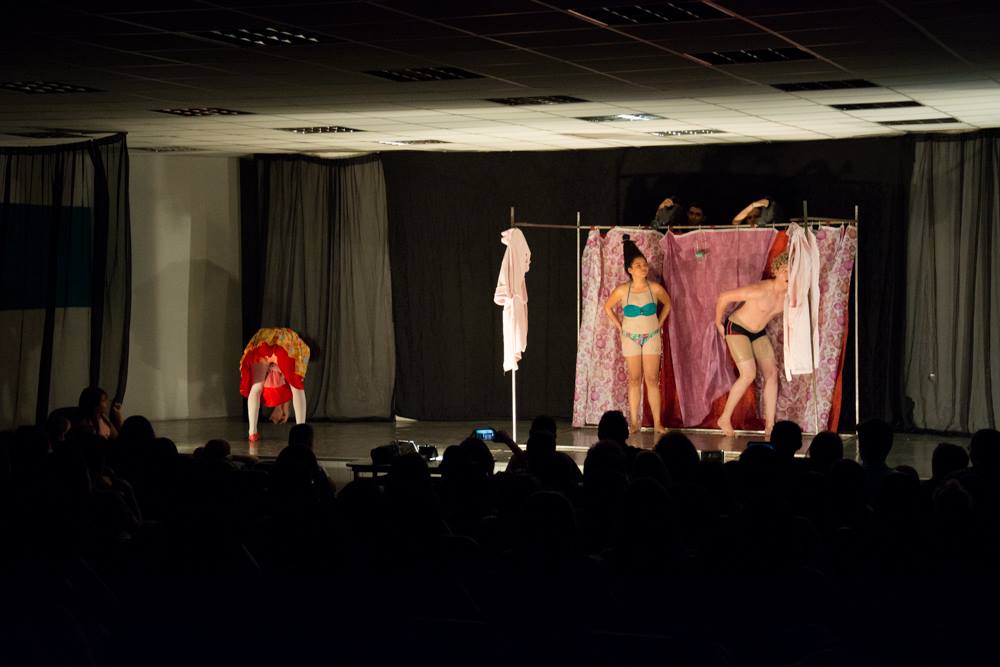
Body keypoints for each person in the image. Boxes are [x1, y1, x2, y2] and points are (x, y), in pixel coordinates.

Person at [713, 251, 789, 438]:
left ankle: (770, 426)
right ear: (776, 271)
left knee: (772, 373)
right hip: (737, 327)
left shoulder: (790, 295)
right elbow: (724, 297)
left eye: (792, 271)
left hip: (758, 332)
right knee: (748, 374)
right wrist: (718, 322)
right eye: (785, 270)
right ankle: (724, 418)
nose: (788, 275)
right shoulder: (760, 290)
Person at [604, 236, 671, 434]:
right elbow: (608, 308)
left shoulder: (655, 288)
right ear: (630, 270)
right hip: (630, 338)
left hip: (651, 336)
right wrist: (620, 327)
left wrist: (659, 323)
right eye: (638, 265)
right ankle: (634, 422)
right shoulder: (622, 290)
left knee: (652, 379)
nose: (643, 268)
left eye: (645, 264)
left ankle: (657, 423)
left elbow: (668, 304)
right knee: (634, 379)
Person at [239, 327, 310, 443]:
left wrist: (282, 408)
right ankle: (301, 431)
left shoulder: (289, 338)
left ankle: (252, 432)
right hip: (283, 344)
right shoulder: (301, 347)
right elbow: (292, 381)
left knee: (256, 388)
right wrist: (283, 408)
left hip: (262, 340)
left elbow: (281, 382)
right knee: (297, 387)